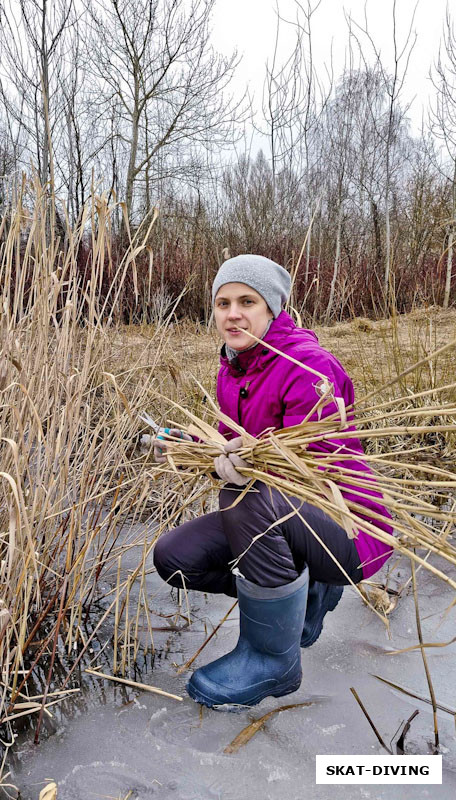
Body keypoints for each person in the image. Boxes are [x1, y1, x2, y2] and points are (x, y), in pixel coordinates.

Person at [152, 254, 393, 710]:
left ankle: (272, 658)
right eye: (223, 303)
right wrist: (193, 448)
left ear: (273, 308)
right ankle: (300, 601)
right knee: (175, 558)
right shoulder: (234, 366)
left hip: (349, 529)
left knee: (245, 498)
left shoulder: (309, 367)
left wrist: (250, 467)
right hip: (282, 516)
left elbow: (319, 469)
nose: (232, 313)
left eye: (247, 301)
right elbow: (231, 445)